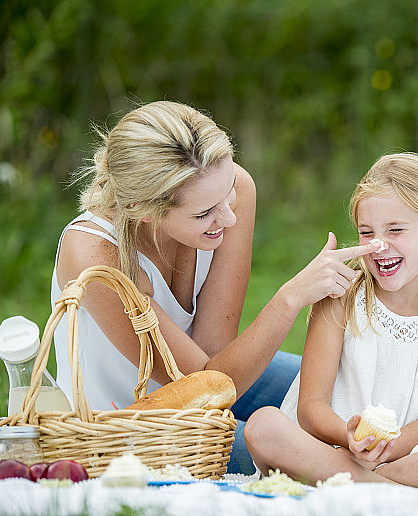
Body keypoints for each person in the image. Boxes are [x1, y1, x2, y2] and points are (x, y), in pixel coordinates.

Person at [51, 100, 379, 472]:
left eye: (228, 194)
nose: (229, 216)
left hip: (214, 377)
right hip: (135, 428)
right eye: (204, 213)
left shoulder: (230, 186)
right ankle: (395, 490)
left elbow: (215, 366)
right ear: (144, 210)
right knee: (299, 451)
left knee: (351, 388)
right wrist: (289, 299)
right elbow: (207, 383)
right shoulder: (93, 252)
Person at [243, 153, 418, 490]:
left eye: (396, 230)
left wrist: (386, 448)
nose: (379, 246)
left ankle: (365, 485)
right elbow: (311, 407)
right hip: (328, 448)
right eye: (367, 232)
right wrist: (349, 435)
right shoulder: (341, 296)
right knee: (263, 426)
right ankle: (392, 491)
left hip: (402, 456)